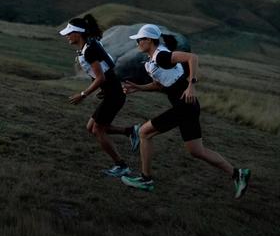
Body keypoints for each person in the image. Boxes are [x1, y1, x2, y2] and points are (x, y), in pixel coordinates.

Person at [121, 24, 251, 199]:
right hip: (187, 107)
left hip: (185, 105)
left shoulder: (163, 55)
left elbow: (192, 57)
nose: (137, 42)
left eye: (139, 39)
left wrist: (191, 85)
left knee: (144, 133)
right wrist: (138, 88)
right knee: (196, 151)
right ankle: (238, 174)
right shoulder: (152, 61)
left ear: (149, 40)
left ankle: (146, 179)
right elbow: (159, 84)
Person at [59, 14, 140, 177]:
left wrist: (83, 94)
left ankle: (121, 166)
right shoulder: (89, 46)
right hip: (111, 94)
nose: (67, 36)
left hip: (114, 96)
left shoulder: (89, 50)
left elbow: (101, 77)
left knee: (97, 129)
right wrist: (103, 89)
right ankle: (131, 131)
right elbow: (105, 71)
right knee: (91, 128)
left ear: (78, 33)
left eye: (69, 33)